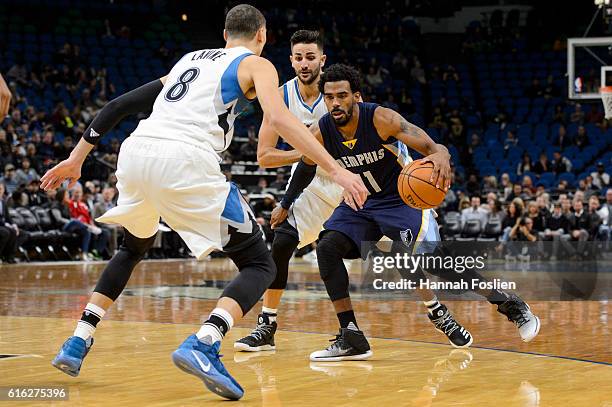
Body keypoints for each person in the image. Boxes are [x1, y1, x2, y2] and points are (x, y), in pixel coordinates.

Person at [41, 6, 367, 401]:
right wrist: (338, 170)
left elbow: (118, 107)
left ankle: (77, 340)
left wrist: (77, 158)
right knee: (261, 263)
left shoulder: (186, 61)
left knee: (133, 247)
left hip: (136, 152)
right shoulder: (257, 65)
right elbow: (281, 120)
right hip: (186, 159)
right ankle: (206, 342)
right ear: (261, 35)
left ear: (225, 32)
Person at [274, 64, 539, 361]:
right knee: (327, 247)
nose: (335, 103)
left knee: (436, 264)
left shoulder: (381, 119)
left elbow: (432, 146)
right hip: (363, 202)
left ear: (356, 97)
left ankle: (510, 305)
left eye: (342, 96)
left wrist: (442, 156)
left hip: (402, 200)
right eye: (329, 97)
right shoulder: (322, 130)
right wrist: (286, 204)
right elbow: (307, 166)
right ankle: (352, 336)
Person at [0, 183, 19, 263]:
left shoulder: (3, 202)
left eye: (1, 189)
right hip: (1, 225)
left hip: (3, 225)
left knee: (14, 231)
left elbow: (8, 217)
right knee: (6, 232)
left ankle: (9, 257)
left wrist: (14, 225)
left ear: (3, 190)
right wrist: (5, 224)